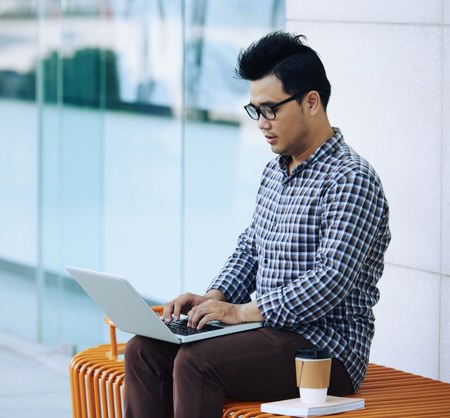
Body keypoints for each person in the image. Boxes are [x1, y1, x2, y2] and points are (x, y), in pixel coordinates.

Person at [123, 31, 391, 418]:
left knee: (197, 362)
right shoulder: (274, 172)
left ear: (311, 102)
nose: (262, 124)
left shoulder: (351, 178)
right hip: (264, 335)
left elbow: (331, 280)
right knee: (144, 350)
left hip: (325, 350)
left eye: (271, 110)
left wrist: (242, 312)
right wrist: (214, 297)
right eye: (255, 111)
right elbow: (251, 250)